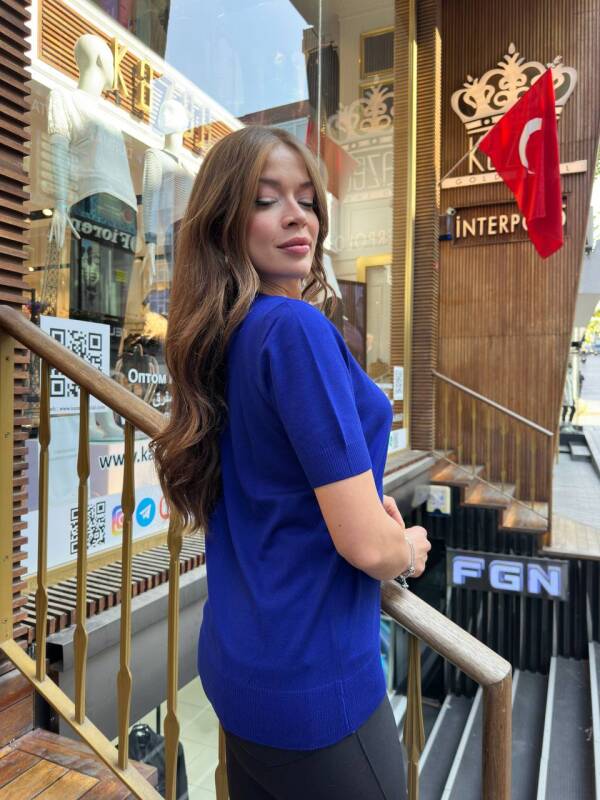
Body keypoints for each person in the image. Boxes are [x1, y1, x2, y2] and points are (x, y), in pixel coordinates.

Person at [151, 125, 431, 800]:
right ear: (225, 219)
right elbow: (368, 546)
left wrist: (365, 521)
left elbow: (275, 484)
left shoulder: (223, 336)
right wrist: (405, 547)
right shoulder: (296, 329)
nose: (297, 216)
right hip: (315, 683)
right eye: (266, 199)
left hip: (240, 665)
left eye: (306, 199)